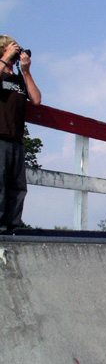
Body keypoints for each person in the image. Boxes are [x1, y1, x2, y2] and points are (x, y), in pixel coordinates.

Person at [0, 36, 42, 234]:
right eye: (12, 49)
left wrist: (26, 71)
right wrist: (5, 57)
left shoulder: (18, 78)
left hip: (16, 138)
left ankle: (11, 228)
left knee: (17, 187)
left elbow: (35, 99)